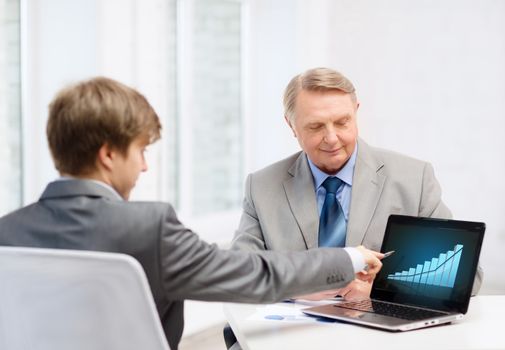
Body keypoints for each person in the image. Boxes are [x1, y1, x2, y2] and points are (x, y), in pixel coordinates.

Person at [0, 77, 384, 350]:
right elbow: (255, 275)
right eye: (141, 152)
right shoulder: (147, 229)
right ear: (108, 155)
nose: (144, 168)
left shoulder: (7, 232)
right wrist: (350, 258)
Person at [231, 67, 482, 301]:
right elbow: (238, 275)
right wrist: (304, 288)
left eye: (342, 122)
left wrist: (381, 291)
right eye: (316, 126)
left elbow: (467, 279)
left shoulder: (414, 179)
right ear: (291, 125)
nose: (332, 138)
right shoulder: (262, 187)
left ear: (356, 112)